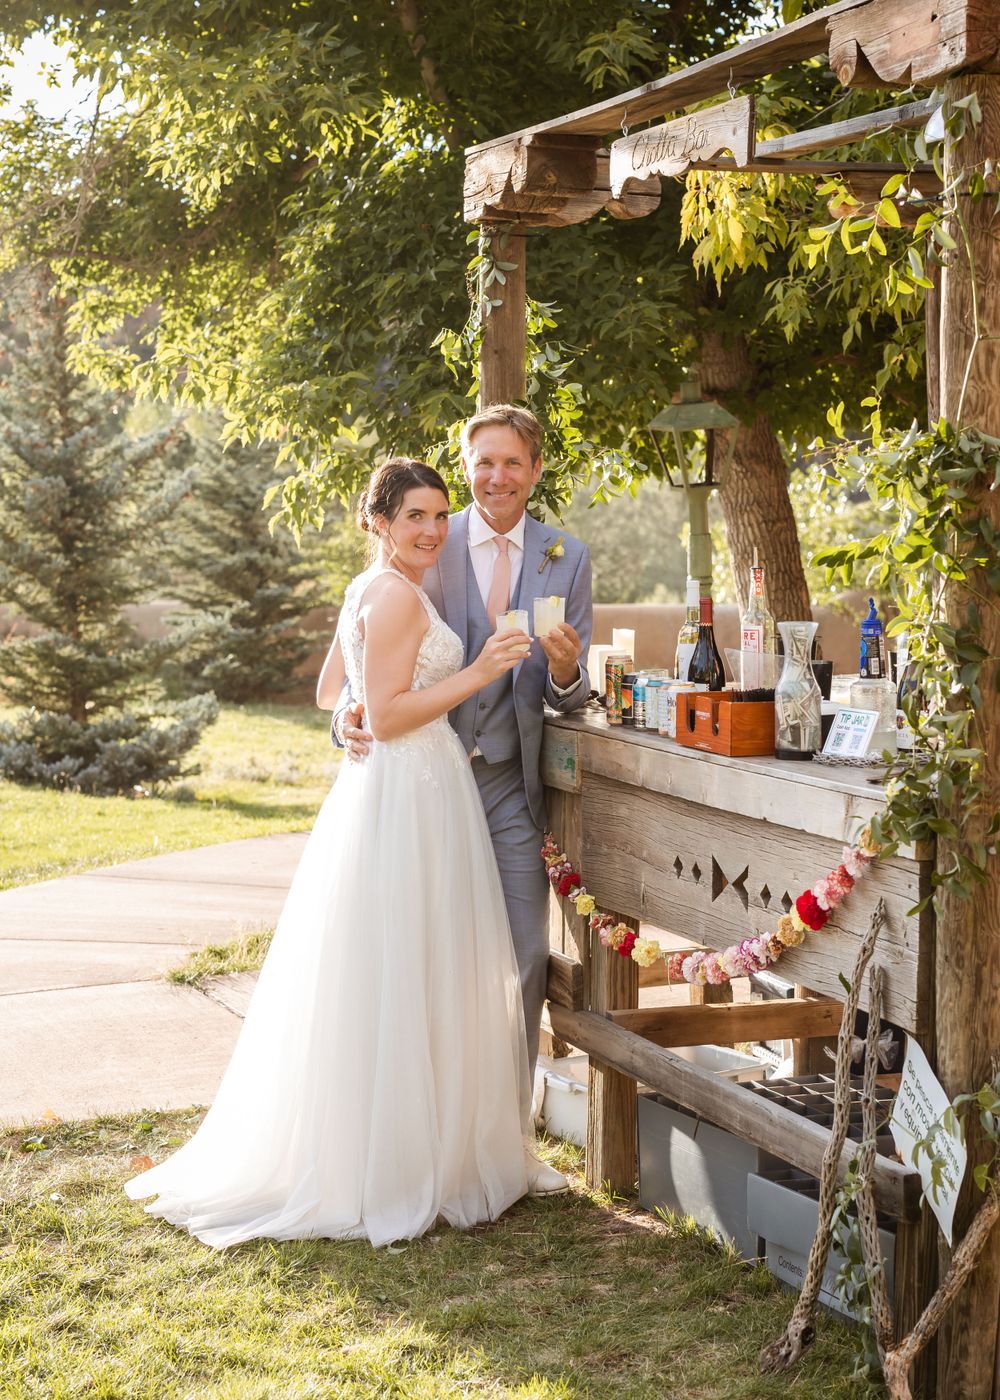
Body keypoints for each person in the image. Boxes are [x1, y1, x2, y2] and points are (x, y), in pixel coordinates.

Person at [126, 457, 565, 1249]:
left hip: (399, 789)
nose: (432, 529)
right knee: (408, 960)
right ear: (379, 522)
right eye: (414, 517)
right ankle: (401, 1161)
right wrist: (478, 672)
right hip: (410, 788)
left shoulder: (374, 586)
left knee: (395, 961)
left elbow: (334, 691)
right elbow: (388, 716)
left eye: (439, 515)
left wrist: (347, 716)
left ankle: (410, 1144)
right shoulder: (394, 594)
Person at [334, 405, 593, 1073]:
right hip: (423, 784)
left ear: (536, 470)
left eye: (512, 463)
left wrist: (567, 670)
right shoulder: (424, 540)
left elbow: (570, 695)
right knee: (424, 955)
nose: (497, 477)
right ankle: (434, 1104)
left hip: (510, 785)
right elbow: (358, 663)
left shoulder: (567, 558)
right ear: (466, 467)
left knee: (523, 954)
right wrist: (345, 718)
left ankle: (507, 1114)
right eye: (484, 462)